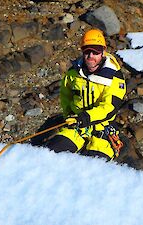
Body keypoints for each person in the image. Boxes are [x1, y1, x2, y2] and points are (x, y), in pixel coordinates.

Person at [46, 28, 126, 160]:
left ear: (103, 52)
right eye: (87, 51)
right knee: (51, 155)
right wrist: (69, 116)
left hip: (101, 130)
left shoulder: (115, 77)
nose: (91, 56)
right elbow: (65, 97)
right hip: (77, 127)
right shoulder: (73, 74)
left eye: (95, 52)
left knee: (93, 169)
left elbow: (109, 108)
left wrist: (84, 118)